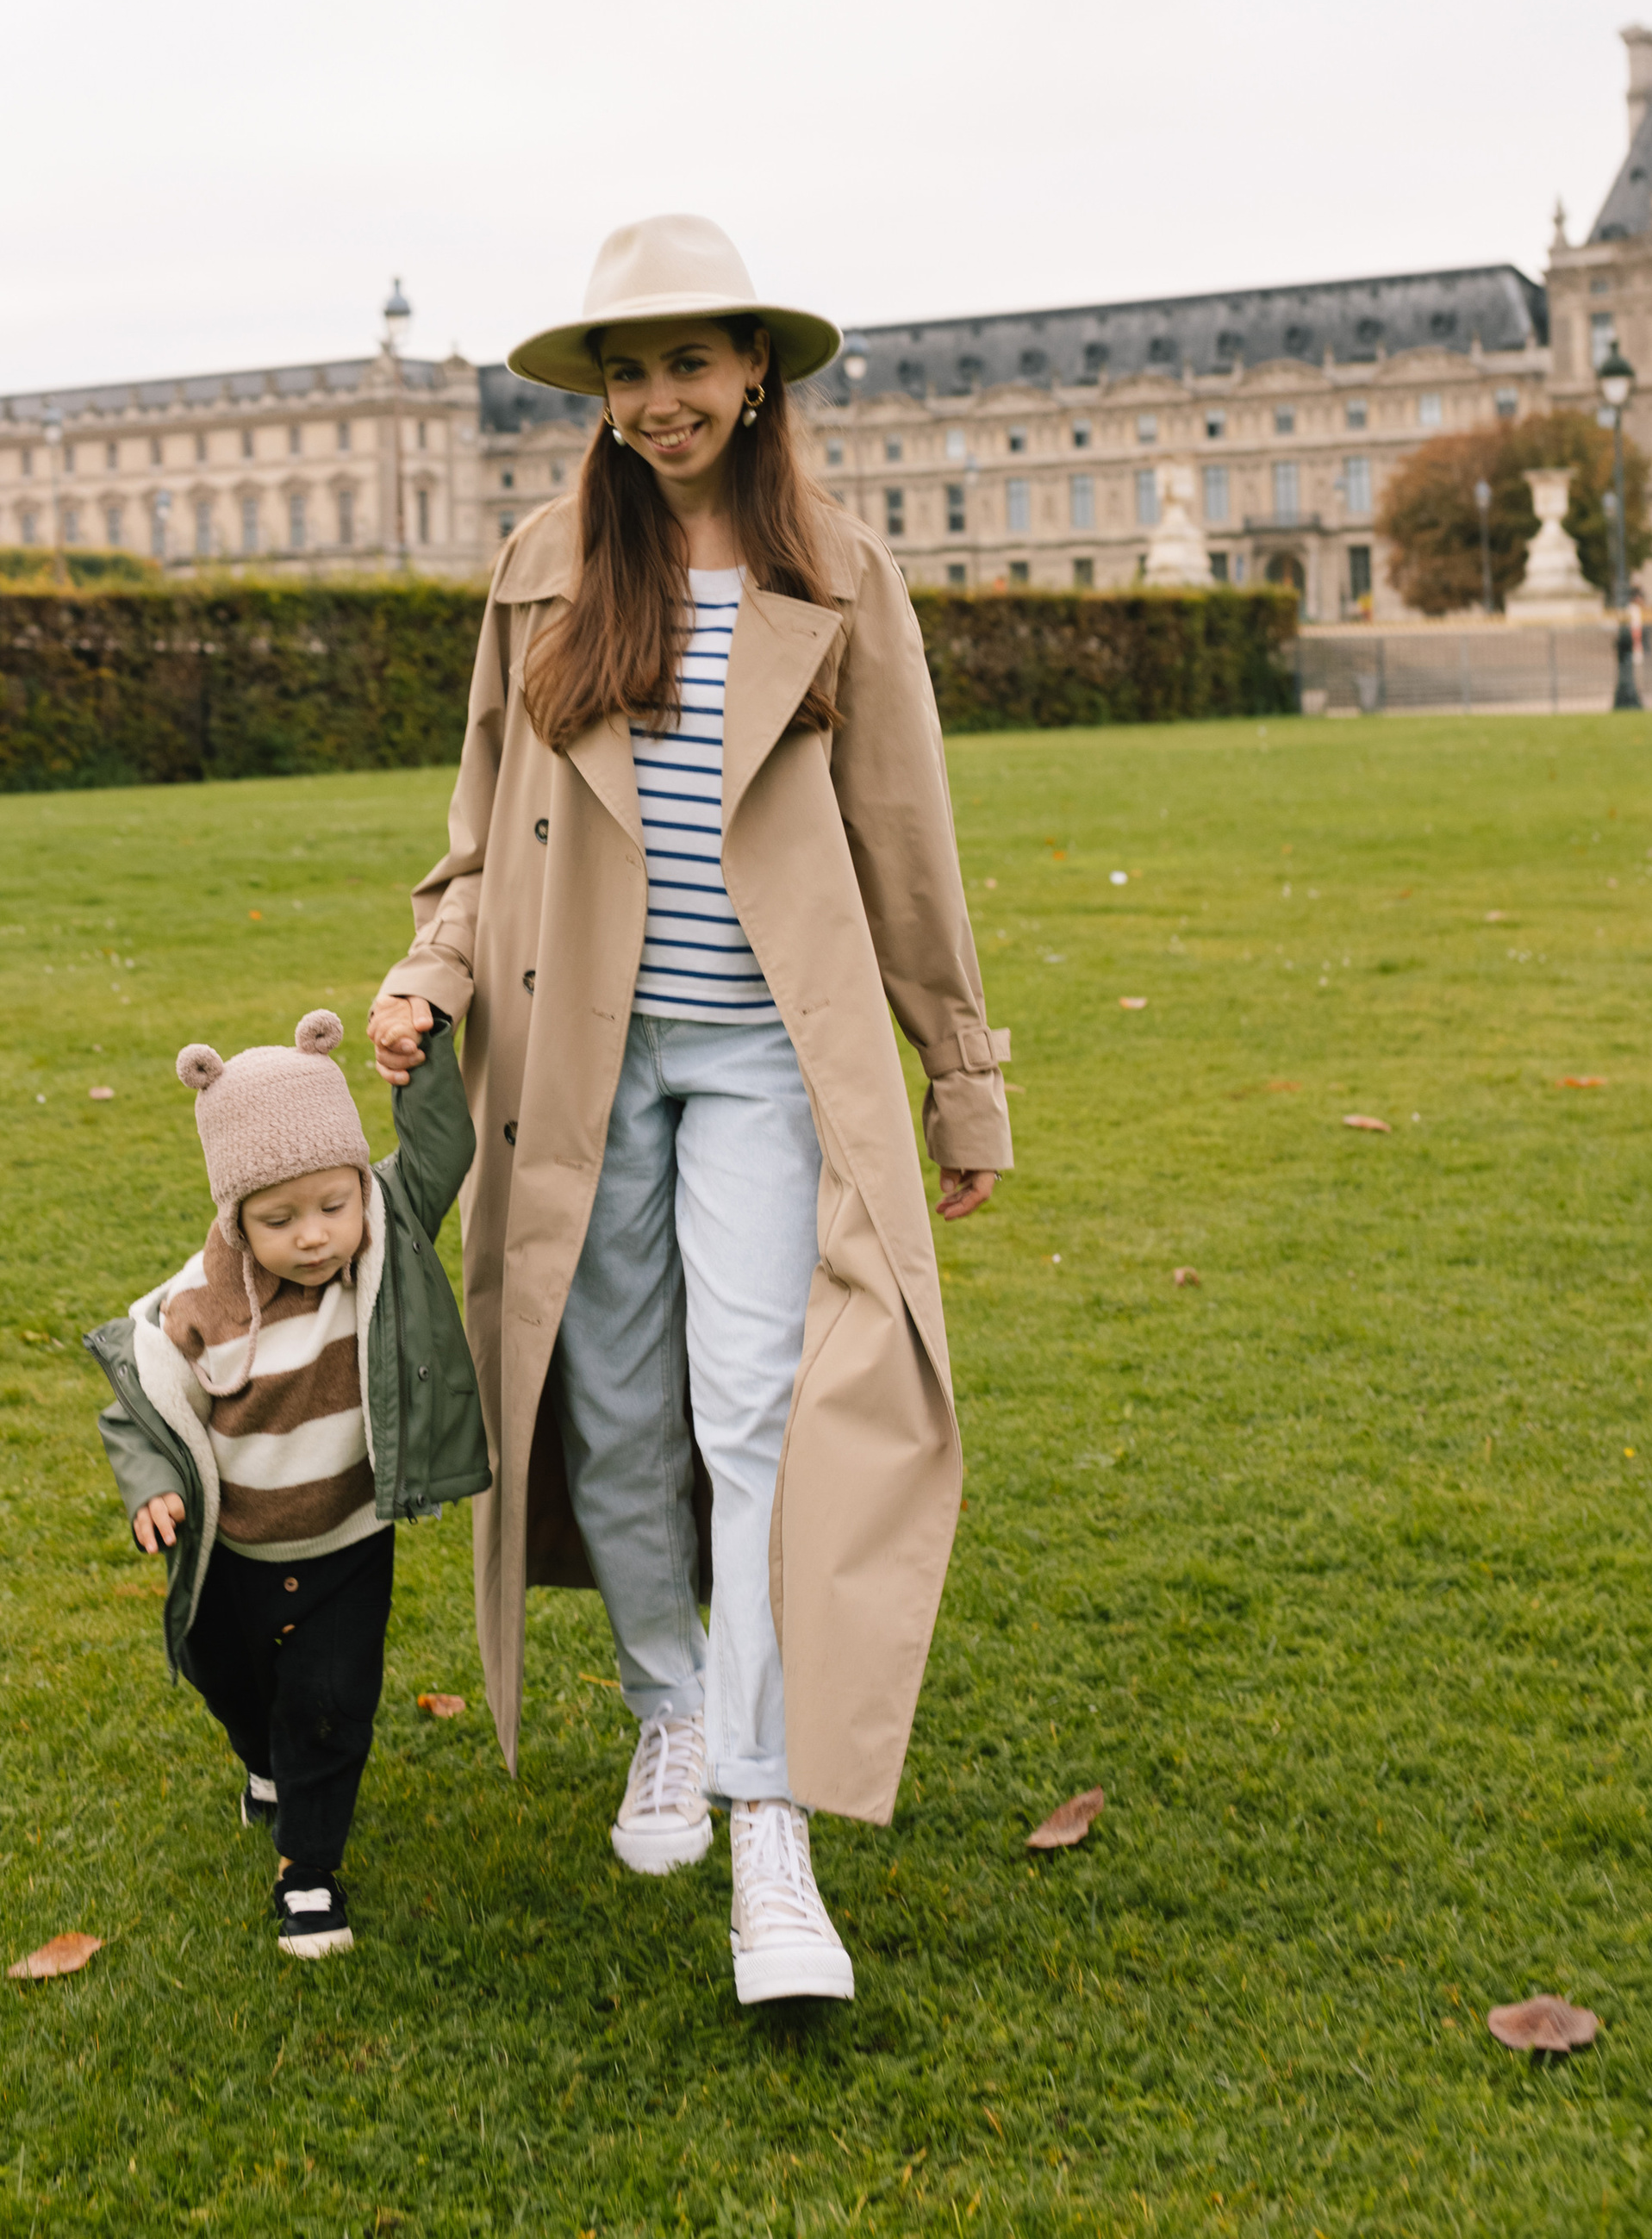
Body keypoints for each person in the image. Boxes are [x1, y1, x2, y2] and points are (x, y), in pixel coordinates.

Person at [368, 213, 1010, 2006]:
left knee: (759, 1418)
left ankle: (769, 1831)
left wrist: (960, 1078)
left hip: (761, 1062)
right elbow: (481, 842)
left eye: (686, 365)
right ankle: (663, 1699)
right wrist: (426, 973)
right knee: (614, 1406)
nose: (654, 400)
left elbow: (905, 844)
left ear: (754, 376)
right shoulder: (536, 569)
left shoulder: (844, 580)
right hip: (573, 1058)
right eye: (624, 369)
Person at [84, 1007, 489, 1959]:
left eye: (332, 1205)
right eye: (278, 1220)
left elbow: (440, 1145)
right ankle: (262, 1764)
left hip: (347, 1545)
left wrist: (417, 1058)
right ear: (234, 1218)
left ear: (358, 1187)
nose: (314, 1237)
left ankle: (307, 1871)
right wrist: (150, 1486)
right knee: (231, 1682)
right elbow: (136, 1406)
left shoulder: (383, 1251)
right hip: (234, 1556)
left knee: (330, 1701)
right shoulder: (201, 1309)